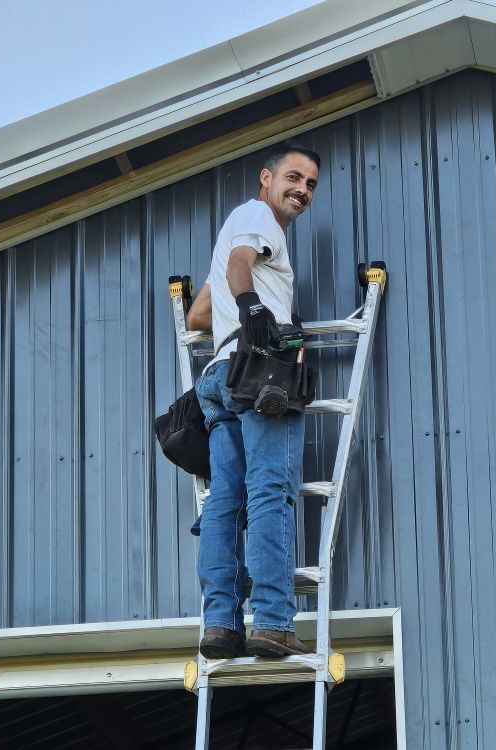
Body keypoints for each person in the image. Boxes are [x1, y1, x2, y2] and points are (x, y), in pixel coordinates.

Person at [185, 142, 319, 659]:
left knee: (224, 502)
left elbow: (198, 315)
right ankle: (273, 622)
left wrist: (244, 301)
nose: (301, 190)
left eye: (310, 184)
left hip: (219, 375)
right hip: (260, 372)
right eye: (293, 177)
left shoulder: (240, 227)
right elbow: (242, 265)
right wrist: (252, 305)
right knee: (270, 495)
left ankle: (219, 624)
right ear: (266, 178)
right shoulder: (257, 216)